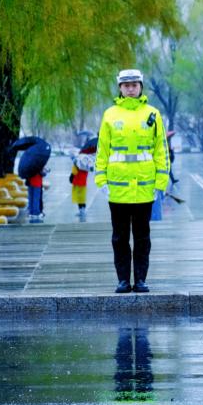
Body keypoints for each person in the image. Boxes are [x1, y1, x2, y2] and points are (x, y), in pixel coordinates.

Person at [94, 69, 169, 293]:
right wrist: (101, 180)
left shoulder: (153, 114)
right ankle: (123, 280)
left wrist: (160, 183)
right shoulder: (110, 115)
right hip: (118, 190)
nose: (130, 89)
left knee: (142, 237)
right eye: (126, 85)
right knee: (119, 238)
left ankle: (141, 279)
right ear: (120, 88)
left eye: (134, 85)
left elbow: (161, 150)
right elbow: (102, 150)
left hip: (145, 189)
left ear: (140, 87)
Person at [71, 148, 94, 217]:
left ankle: (81, 211)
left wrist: (71, 176)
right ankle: (82, 210)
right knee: (82, 197)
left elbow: (74, 172)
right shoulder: (86, 165)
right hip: (83, 183)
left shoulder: (77, 163)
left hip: (77, 182)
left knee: (79, 197)